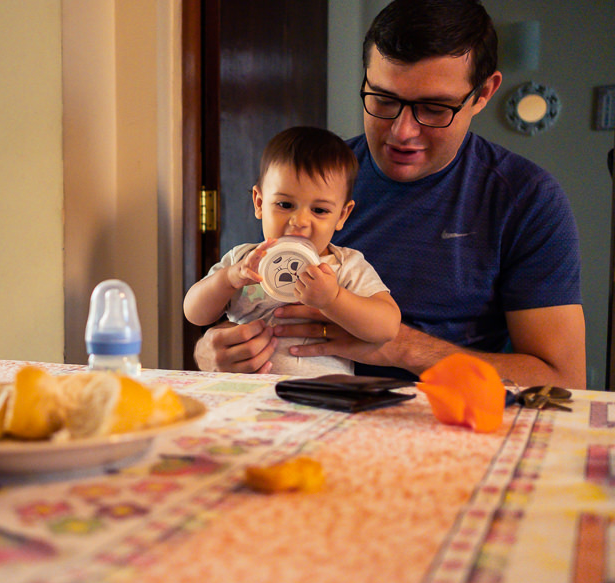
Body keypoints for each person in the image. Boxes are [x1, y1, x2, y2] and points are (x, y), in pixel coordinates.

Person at [195, 0, 586, 389]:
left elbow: (564, 381)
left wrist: (400, 347)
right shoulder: (313, 181)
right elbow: (229, 305)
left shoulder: (526, 199)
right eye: (383, 100)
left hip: (444, 420)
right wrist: (210, 352)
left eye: (434, 108)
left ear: (483, 93)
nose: (402, 132)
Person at [184, 126, 400, 377]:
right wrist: (229, 278)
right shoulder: (243, 261)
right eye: (285, 205)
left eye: (319, 210)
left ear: (342, 215)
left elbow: (387, 327)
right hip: (247, 398)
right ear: (260, 203)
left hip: (320, 398)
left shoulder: (345, 265)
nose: (299, 221)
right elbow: (194, 313)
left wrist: (333, 299)